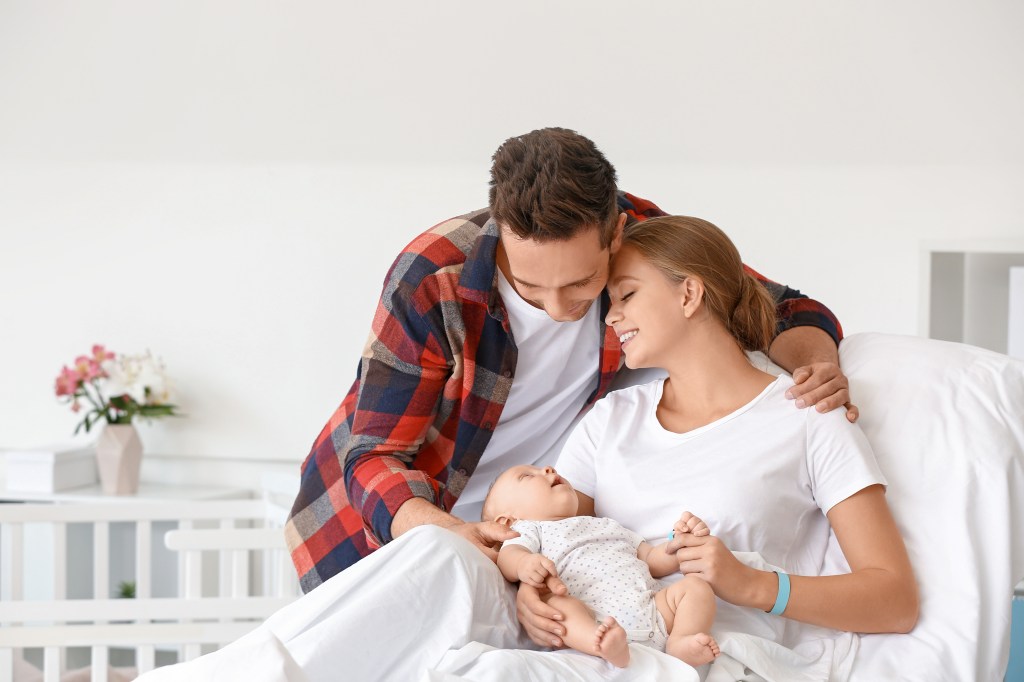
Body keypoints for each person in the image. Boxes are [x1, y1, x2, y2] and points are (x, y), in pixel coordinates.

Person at [286, 127, 855, 593]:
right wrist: (447, 532)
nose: (560, 309)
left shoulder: (646, 239)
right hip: (376, 526)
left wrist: (817, 368)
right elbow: (375, 456)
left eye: (584, 284)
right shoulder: (432, 280)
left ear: (616, 233)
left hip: (534, 538)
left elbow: (780, 307)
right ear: (501, 234)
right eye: (530, 287)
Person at [517, 215, 918, 651]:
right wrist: (531, 591)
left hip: (726, 659)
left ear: (689, 293)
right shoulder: (610, 419)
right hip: (602, 656)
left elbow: (894, 600)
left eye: (627, 295)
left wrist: (751, 584)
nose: (611, 316)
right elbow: (549, 534)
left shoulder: (808, 416)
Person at [484, 463, 720, 668]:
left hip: (652, 611)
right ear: (508, 520)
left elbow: (652, 559)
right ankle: (599, 645)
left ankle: (681, 640)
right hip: (594, 617)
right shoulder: (529, 530)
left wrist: (678, 540)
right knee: (557, 605)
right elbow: (509, 556)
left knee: (696, 587)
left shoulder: (607, 524)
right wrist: (524, 562)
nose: (548, 469)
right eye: (527, 476)